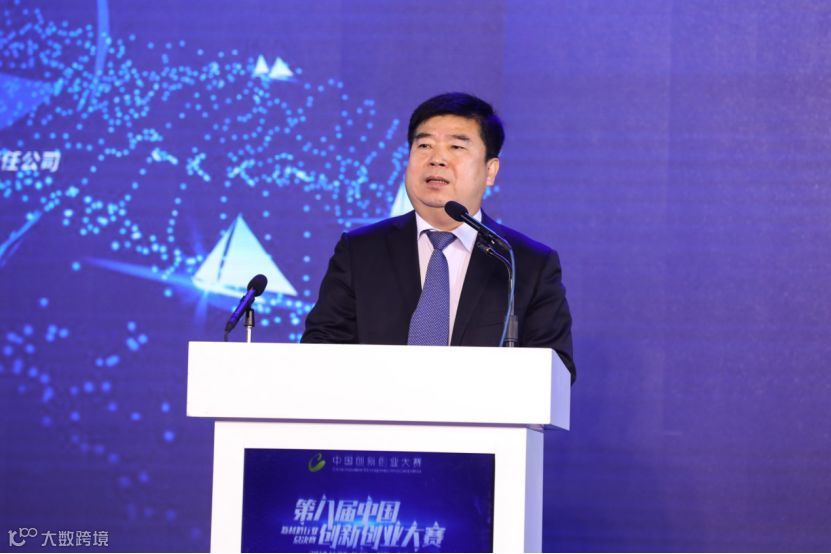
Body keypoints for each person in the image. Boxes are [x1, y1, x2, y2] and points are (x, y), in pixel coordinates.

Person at [301, 92, 575, 382]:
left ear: (490, 170)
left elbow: (555, 374)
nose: (437, 159)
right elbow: (320, 350)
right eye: (424, 145)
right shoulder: (360, 251)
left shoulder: (524, 263)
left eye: (456, 146)